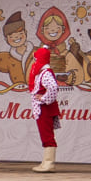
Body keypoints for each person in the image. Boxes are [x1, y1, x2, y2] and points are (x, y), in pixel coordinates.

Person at [28, 43, 60, 173]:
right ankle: (46, 161)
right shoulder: (41, 73)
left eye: (36, 60)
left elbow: (53, 87)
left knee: (47, 135)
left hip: (45, 108)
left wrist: (44, 99)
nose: (34, 63)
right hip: (43, 109)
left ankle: (49, 163)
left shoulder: (45, 73)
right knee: (45, 134)